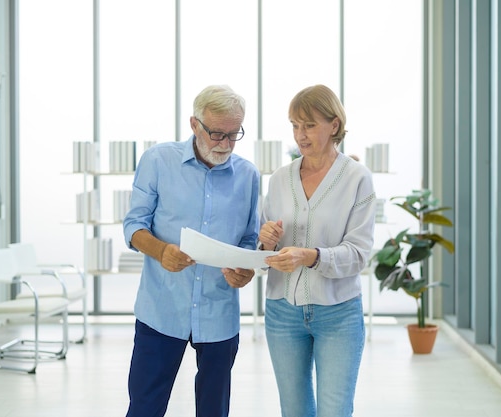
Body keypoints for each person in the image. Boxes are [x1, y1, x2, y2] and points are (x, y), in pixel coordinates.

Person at [123, 84, 260, 417]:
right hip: (161, 309)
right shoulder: (158, 161)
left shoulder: (248, 175)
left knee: (214, 411)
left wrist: (245, 270)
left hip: (219, 314)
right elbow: (133, 226)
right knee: (145, 407)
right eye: (217, 134)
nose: (226, 144)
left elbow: (248, 238)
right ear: (194, 124)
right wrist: (161, 251)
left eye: (234, 134)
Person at [258, 84, 376, 417]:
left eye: (309, 125)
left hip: (338, 313)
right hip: (282, 311)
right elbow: (265, 251)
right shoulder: (279, 179)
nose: (300, 135)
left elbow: (359, 254)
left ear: (334, 125)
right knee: (293, 411)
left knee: (334, 411)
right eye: (295, 125)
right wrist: (266, 241)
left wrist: (311, 256)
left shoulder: (357, 179)